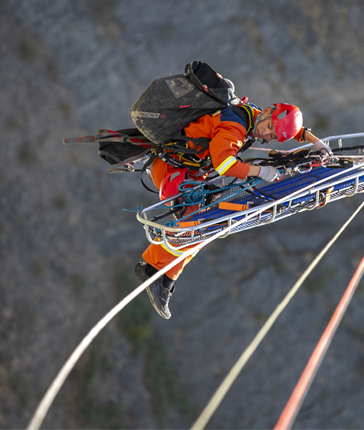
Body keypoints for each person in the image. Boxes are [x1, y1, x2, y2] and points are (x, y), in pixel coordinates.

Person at [134, 88, 332, 319]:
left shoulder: (254, 115)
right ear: (267, 112)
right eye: (268, 128)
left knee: (203, 229)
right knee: (196, 228)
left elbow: (290, 130)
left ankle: (162, 277)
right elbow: (225, 165)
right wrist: (262, 172)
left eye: (271, 136)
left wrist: (315, 142)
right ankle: (153, 271)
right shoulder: (235, 126)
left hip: (188, 171)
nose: (265, 134)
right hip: (174, 172)